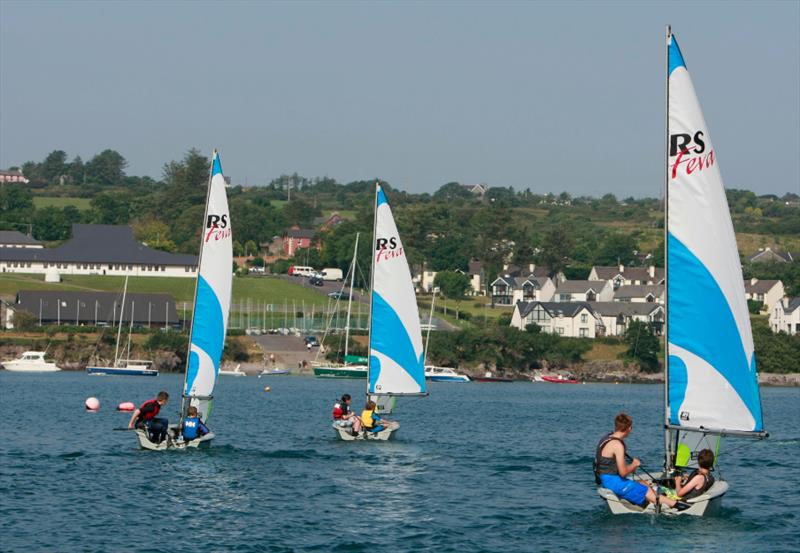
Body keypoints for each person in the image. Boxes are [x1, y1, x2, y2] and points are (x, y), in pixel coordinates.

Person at [594, 412, 690, 511]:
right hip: (613, 483)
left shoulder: (607, 438)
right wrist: (634, 465)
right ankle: (677, 505)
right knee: (646, 489)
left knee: (643, 483)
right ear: (629, 428)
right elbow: (623, 473)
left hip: (605, 480)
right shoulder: (617, 445)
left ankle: (654, 502)